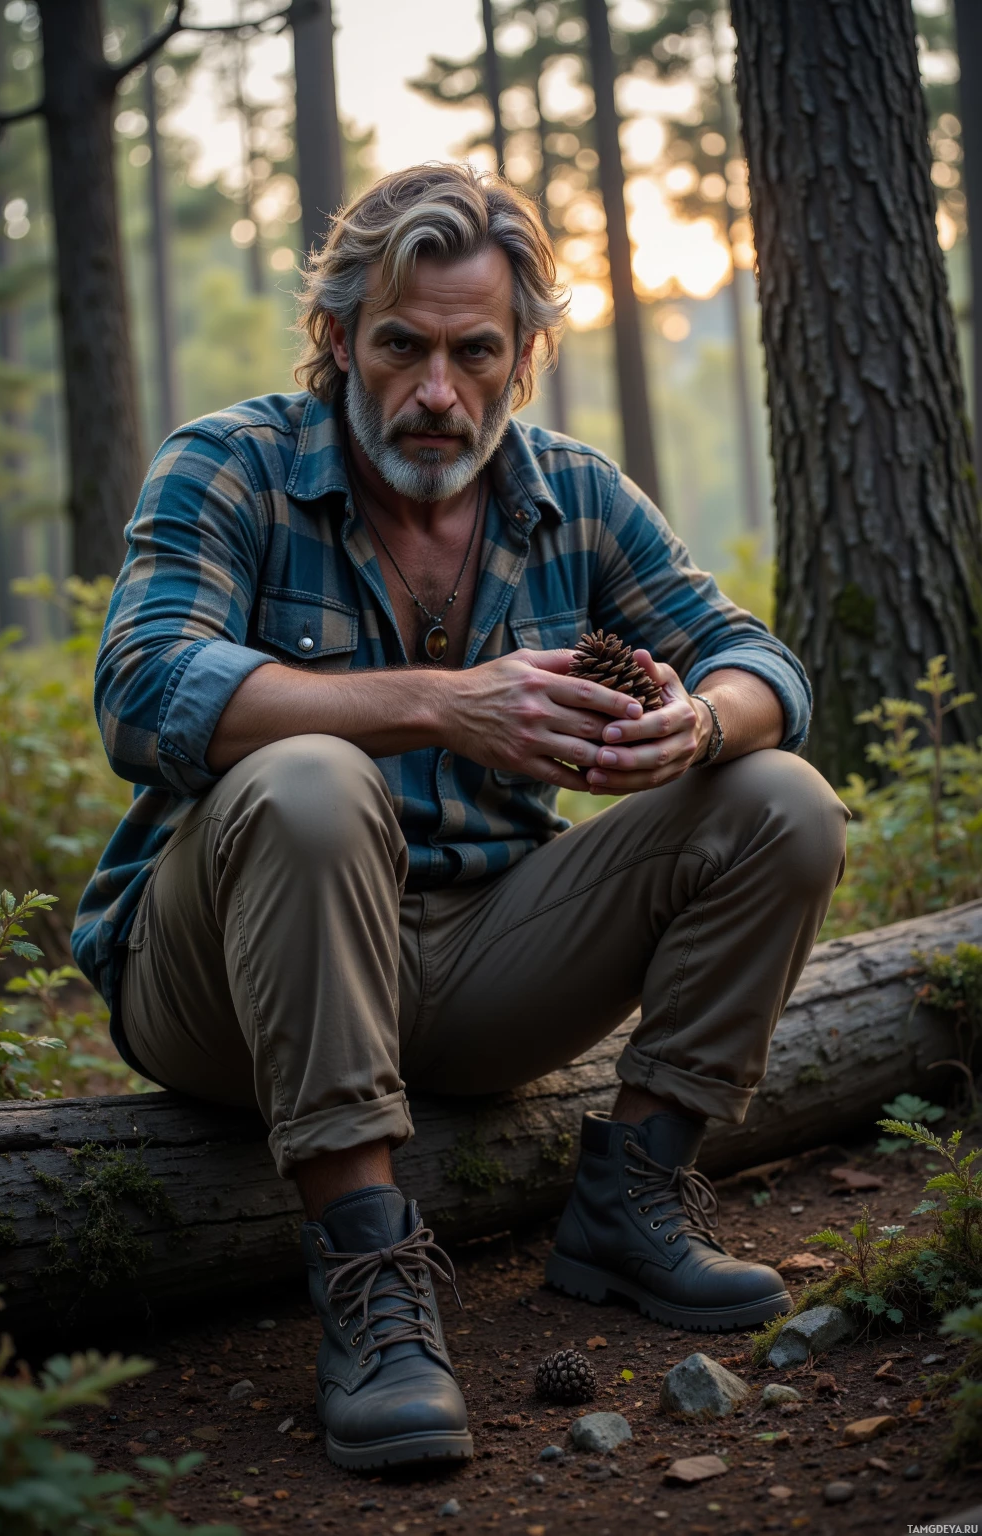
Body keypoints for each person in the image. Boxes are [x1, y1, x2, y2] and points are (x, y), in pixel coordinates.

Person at [73, 164, 848, 1473]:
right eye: (402, 347)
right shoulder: (235, 464)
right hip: (224, 983)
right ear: (337, 338)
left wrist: (699, 723)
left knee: (781, 798)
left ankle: (631, 1205)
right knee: (314, 780)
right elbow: (141, 687)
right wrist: (440, 703)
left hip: (483, 960)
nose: (437, 391)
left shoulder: (575, 497)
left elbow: (756, 659)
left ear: (524, 355)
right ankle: (375, 1286)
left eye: (474, 352)